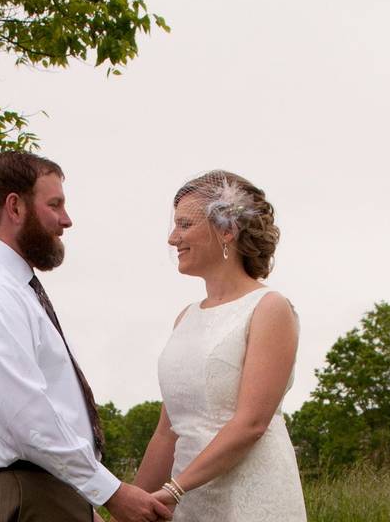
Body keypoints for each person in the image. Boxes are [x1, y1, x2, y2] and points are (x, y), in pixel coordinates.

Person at [0, 151, 173, 522]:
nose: (66, 219)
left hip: (38, 492)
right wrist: (111, 492)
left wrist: (78, 502)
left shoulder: (12, 288)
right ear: (15, 207)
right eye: (54, 204)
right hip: (16, 494)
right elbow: (25, 414)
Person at [131, 171, 307, 521]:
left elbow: (251, 423)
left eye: (184, 225)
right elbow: (167, 432)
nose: (172, 238)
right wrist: (128, 510)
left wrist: (175, 489)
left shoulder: (269, 308)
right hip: (187, 501)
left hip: (250, 498)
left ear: (227, 230)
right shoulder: (185, 317)